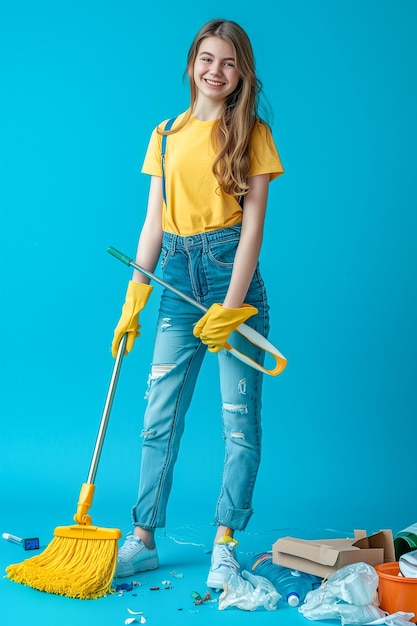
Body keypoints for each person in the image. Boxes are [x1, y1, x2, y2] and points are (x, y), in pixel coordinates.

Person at [111, 18, 284, 589]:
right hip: (177, 284)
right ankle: (143, 541)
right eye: (207, 58)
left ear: (241, 74)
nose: (216, 70)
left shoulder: (253, 133)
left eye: (229, 62)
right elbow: (153, 222)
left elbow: (254, 229)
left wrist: (232, 305)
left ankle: (225, 544)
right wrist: (135, 296)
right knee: (158, 417)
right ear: (192, 63)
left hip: (232, 279)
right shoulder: (164, 134)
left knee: (239, 427)